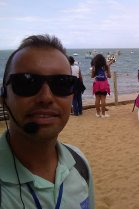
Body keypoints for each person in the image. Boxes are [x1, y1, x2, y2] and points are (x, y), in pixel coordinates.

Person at [0, 34, 95, 208]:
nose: (46, 97)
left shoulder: (79, 164)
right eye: (27, 82)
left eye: (62, 83)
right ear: (4, 98)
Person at [91, 54, 111, 118]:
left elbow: (92, 76)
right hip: (104, 83)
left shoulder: (94, 67)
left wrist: (94, 72)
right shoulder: (106, 66)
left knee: (97, 98)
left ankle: (97, 113)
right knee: (103, 99)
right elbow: (109, 76)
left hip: (96, 83)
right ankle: (103, 114)